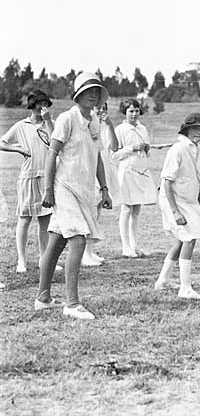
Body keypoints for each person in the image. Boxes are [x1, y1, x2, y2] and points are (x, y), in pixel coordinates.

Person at [35, 72, 112, 320]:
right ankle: (72, 303)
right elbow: (51, 154)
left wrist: (105, 188)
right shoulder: (67, 119)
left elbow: (97, 157)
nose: (92, 94)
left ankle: (43, 298)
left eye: (96, 91)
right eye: (88, 90)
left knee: (56, 242)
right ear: (77, 94)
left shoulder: (95, 122)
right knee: (78, 240)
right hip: (63, 188)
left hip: (84, 190)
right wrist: (48, 190)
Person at [155, 113, 200, 299]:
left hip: (188, 199)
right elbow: (166, 182)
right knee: (189, 238)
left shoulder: (199, 149)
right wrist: (174, 210)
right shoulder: (177, 149)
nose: (198, 132)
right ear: (186, 130)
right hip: (172, 199)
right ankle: (185, 288)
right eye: (194, 128)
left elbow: (196, 178)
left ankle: (163, 280)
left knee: (181, 240)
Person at [0, 90, 54, 273]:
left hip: (46, 177)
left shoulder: (49, 124)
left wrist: (48, 121)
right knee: (24, 218)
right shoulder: (22, 125)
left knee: (45, 219)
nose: (42, 107)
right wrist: (18, 149)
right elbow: (2, 142)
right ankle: (21, 260)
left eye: (45, 104)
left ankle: (44, 258)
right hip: (28, 175)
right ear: (32, 105)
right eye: (39, 104)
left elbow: (56, 143)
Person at [114, 98, 158, 257]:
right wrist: (132, 148)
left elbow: (147, 151)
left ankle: (134, 246)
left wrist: (146, 148)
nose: (134, 114)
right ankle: (126, 247)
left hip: (141, 171)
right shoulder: (120, 129)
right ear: (125, 112)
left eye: (136, 110)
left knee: (136, 210)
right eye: (131, 111)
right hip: (127, 172)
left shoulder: (142, 128)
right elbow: (115, 154)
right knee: (126, 209)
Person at [81, 102, 120, 267]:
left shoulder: (105, 126)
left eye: (104, 108)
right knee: (89, 212)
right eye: (98, 108)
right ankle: (83, 254)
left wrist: (110, 125)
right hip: (92, 170)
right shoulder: (88, 125)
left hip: (105, 170)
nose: (102, 111)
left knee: (96, 213)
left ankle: (89, 251)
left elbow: (115, 147)